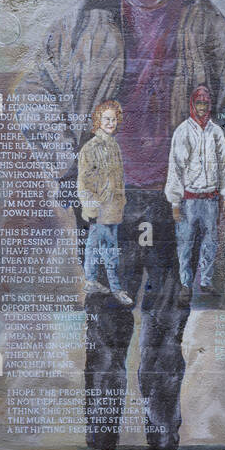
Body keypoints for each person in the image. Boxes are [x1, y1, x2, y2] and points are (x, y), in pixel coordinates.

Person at [18, 0, 225, 450]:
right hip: (109, 210)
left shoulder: (202, 16)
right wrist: (72, 170)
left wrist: (216, 187)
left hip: (172, 206)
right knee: (105, 332)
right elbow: (32, 95)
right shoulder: (90, 16)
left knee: (166, 337)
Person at [165, 84, 225, 306]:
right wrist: (175, 201)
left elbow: (224, 165)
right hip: (188, 199)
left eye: (205, 104)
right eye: (198, 104)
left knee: (211, 241)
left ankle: (206, 280)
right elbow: (175, 166)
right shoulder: (183, 131)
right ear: (192, 105)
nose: (202, 108)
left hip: (211, 198)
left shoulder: (216, 132)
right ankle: (185, 284)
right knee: (185, 243)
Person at [77, 99, 133, 307]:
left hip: (113, 207)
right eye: (106, 119)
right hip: (100, 208)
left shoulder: (114, 146)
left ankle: (90, 280)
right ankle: (116, 288)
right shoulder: (91, 148)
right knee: (109, 248)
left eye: (113, 119)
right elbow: (83, 181)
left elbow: (118, 179)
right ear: (98, 121)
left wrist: (121, 200)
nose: (110, 123)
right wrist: (91, 207)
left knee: (94, 244)